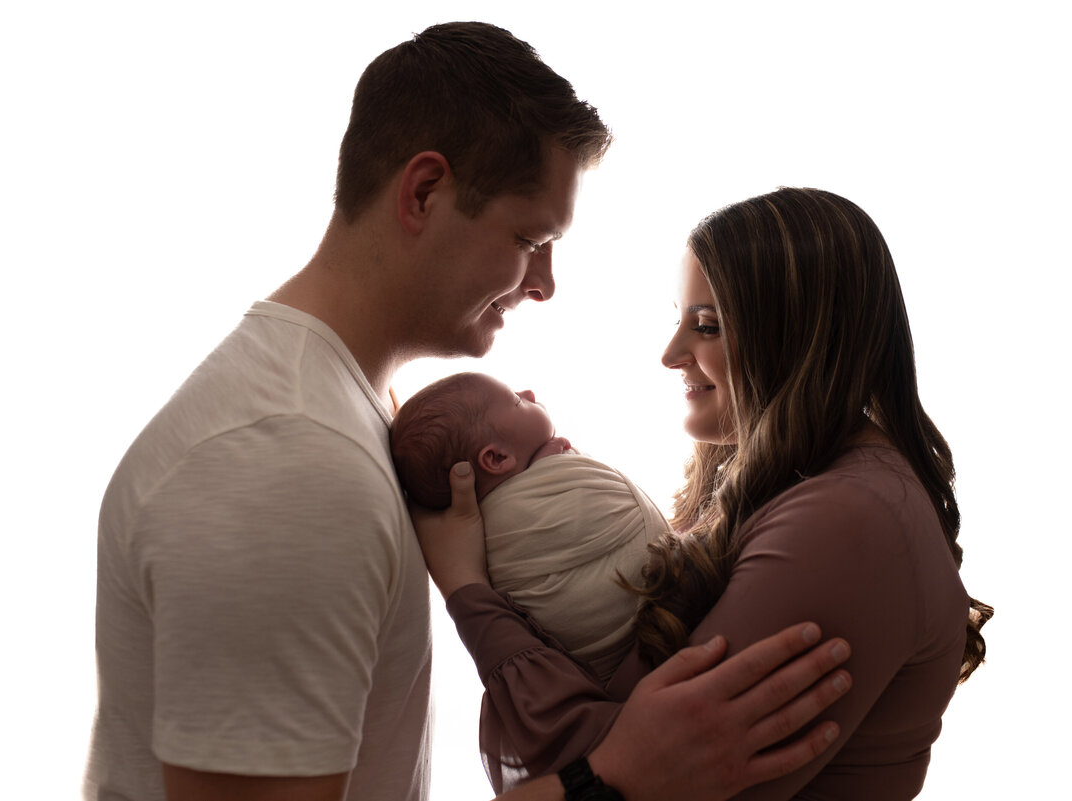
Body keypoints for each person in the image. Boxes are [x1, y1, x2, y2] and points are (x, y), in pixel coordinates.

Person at [85, 22, 852, 801]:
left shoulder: (348, 412)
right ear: (424, 192)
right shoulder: (288, 461)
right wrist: (615, 777)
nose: (546, 283)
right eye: (530, 238)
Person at [416, 187, 992, 799]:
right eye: (679, 321)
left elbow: (621, 764)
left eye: (708, 325)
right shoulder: (789, 487)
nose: (670, 354)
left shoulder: (848, 521)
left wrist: (469, 590)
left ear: (798, 338)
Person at [392, 371, 669, 681]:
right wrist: (555, 464)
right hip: (656, 629)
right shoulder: (497, 524)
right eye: (516, 401)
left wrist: (548, 464)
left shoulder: (469, 535)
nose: (529, 393)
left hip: (606, 675)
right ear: (496, 458)